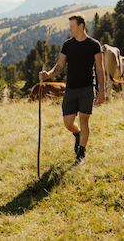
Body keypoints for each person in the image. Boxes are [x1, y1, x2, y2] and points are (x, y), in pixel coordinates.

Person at [39, 12, 105, 164]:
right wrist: (47, 75)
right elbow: (59, 67)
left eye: (72, 27)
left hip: (87, 87)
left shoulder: (94, 45)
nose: (70, 29)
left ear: (81, 26)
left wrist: (101, 91)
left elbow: (100, 69)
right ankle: (78, 134)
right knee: (68, 123)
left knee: (83, 121)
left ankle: (81, 154)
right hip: (71, 88)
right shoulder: (68, 45)